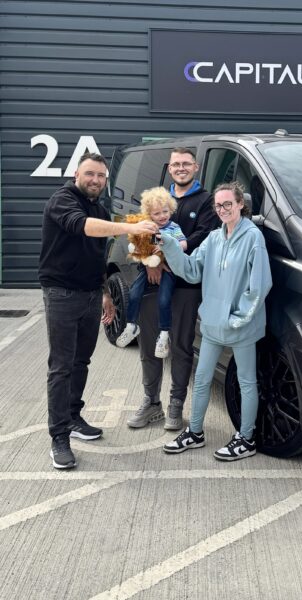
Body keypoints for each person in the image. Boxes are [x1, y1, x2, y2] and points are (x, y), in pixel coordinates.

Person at [39, 152, 158, 470]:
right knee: (61, 367)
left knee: (81, 362)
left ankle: (73, 417)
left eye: (101, 176)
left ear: (106, 180)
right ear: (77, 174)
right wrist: (129, 227)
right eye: (90, 174)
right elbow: (84, 228)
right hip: (62, 294)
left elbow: (95, 257)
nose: (95, 180)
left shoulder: (100, 209)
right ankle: (59, 437)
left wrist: (105, 293)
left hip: (91, 295)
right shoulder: (63, 200)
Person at [161, 181, 272, 461]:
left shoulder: (253, 237)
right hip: (212, 323)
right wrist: (170, 245)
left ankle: (246, 439)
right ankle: (195, 432)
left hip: (241, 325)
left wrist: (239, 317)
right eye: (218, 205)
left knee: (246, 382)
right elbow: (191, 271)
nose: (222, 209)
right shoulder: (213, 238)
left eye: (228, 204)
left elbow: (260, 284)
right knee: (201, 380)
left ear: (240, 205)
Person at [127, 147, 220, 431]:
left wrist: (168, 257)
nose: (181, 168)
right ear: (169, 168)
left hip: (186, 286)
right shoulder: (156, 198)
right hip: (152, 280)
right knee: (148, 346)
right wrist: (150, 262)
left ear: (196, 167)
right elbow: (140, 234)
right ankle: (151, 402)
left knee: (180, 347)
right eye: (176, 164)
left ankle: (176, 404)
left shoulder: (206, 201)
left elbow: (202, 237)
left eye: (186, 164)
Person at [116, 187, 187, 358]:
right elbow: (140, 247)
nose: (162, 216)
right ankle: (131, 326)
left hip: (169, 268)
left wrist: (169, 246)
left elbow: (184, 244)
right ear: (149, 214)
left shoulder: (173, 227)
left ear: (171, 210)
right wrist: (144, 254)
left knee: (164, 299)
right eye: (157, 213)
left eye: (165, 211)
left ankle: (163, 335)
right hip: (148, 264)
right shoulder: (148, 227)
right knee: (133, 293)